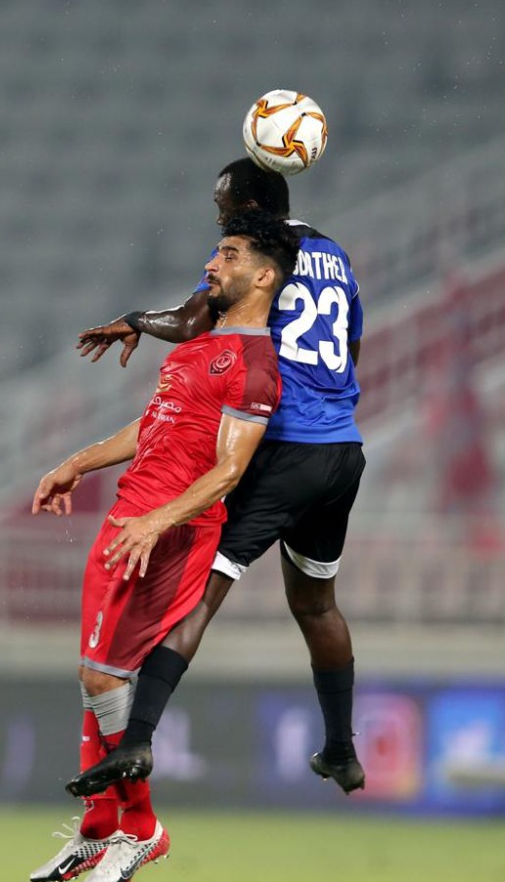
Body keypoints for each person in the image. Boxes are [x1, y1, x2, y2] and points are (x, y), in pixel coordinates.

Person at [70, 158, 367, 801]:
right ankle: (342, 748)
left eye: (225, 206)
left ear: (252, 207)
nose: (219, 219)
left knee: (201, 589)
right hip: (342, 449)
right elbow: (352, 346)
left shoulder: (253, 253)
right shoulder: (335, 255)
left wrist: (135, 318)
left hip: (281, 444)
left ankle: (139, 740)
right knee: (316, 602)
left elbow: (187, 320)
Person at [29, 210, 299, 882]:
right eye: (217, 251)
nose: (213, 263)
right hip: (130, 517)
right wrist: (78, 462)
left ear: (263, 275)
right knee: (94, 672)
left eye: (230, 255)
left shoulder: (258, 367)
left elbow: (228, 472)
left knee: (105, 680)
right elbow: (158, 422)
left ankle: (140, 829)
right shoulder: (198, 344)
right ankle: (97, 828)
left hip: (169, 531)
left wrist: (158, 521)